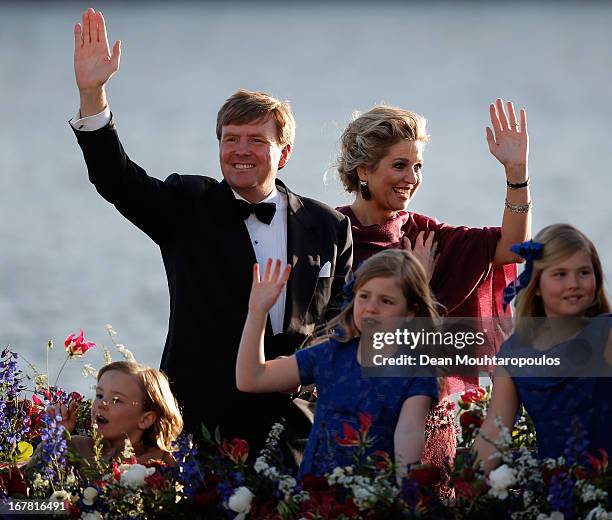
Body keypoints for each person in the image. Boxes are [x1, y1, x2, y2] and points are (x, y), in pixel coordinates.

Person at [69, 8, 352, 452]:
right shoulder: (188, 204)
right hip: (200, 421)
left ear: (285, 153)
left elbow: (337, 319)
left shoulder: (329, 225)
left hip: (296, 425)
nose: (241, 151)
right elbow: (115, 179)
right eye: (230, 139)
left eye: (257, 140)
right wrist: (93, 93)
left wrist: (300, 376)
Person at [236, 250, 439, 479]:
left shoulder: (416, 370)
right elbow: (251, 378)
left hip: (374, 499)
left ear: (411, 312)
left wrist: (403, 500)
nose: (371, 307)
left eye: (386, 300)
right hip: (316, 498)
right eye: (364, 296)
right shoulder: (330, 353)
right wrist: (257, 312)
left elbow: (409, 434)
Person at [335, 101, 530, 321]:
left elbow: (515, 248)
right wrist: (414, 282)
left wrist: (517, 173)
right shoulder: (326, 231)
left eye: (418, 166)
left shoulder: (426, 236)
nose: (412, 178)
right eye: (400, 165)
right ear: (363, 170)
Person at [474, 224, 612, 472]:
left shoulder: (606, 333)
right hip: (557, 493)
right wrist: (469, 490)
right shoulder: (515, 353)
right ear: (536, 285)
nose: (574, 283)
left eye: (583, 272)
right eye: (560, 274)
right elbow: (494, 432)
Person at [42, 361, 183, 466]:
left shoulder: (162, 460)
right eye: (99, 395)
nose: (102, 404)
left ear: (145, 419)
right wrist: (57, 436)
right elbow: (29, 491)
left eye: (116, 400)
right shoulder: (75, 447)